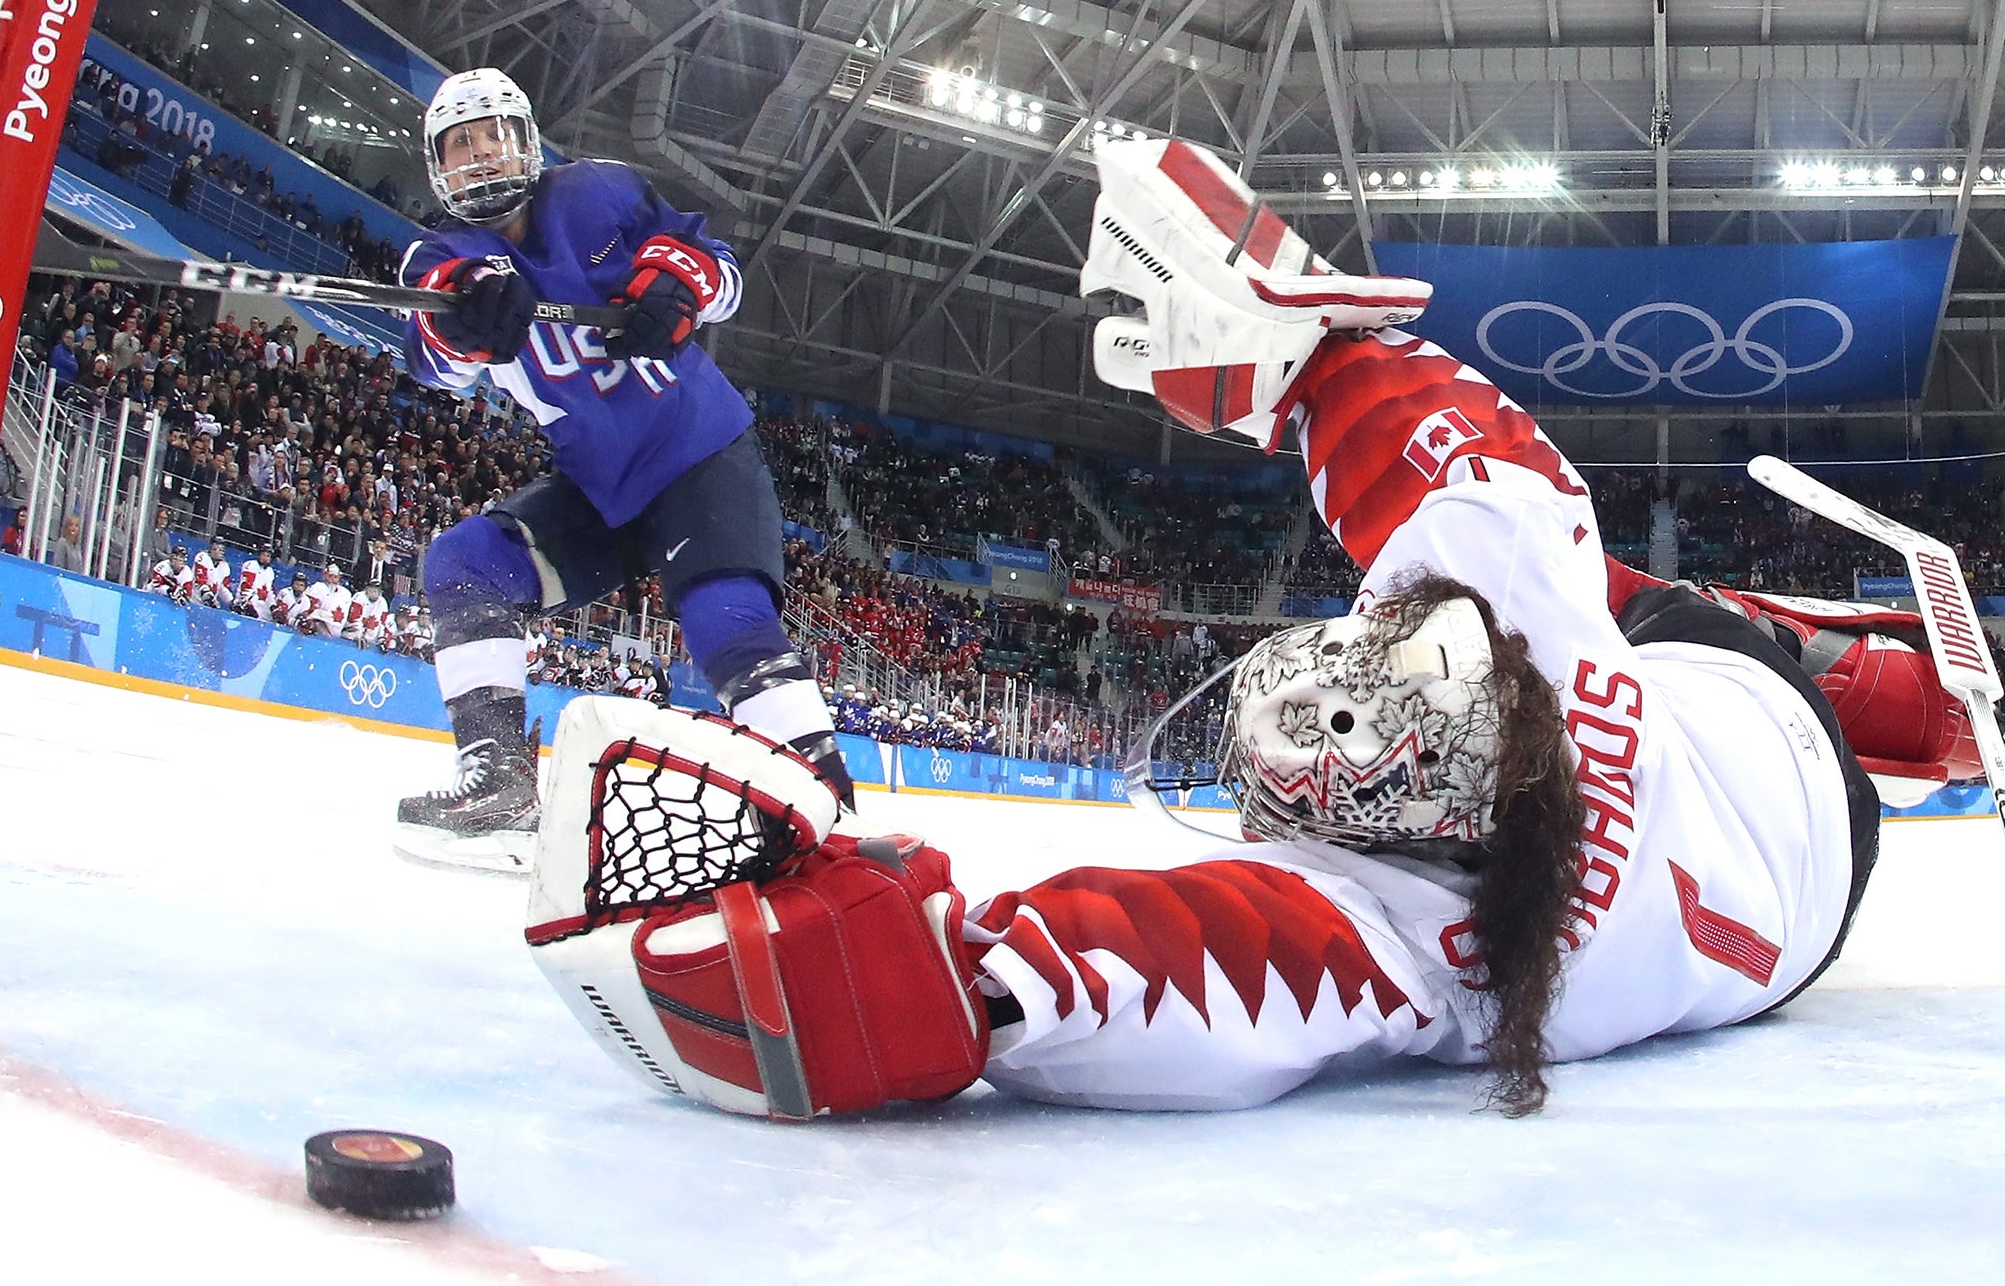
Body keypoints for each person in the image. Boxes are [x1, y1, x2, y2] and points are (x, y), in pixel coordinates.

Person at [528, 141, 1947, 1124]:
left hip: (1792, 910)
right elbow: (1481, 481)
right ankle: (1867, 673)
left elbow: (1181, 965)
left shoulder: (1417, 955)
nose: (1351, 648)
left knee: (1615, 603)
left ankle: (1855, 682)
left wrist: (956, 987)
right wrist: (1303, 352)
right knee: (1643, 604)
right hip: (1741, 709)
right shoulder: (1535, 652)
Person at [389, 67, 851, 858]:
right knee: (464, 564)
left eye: (496, 136)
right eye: (462, 144)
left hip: (701, 460)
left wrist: (679, 287)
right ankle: (499, 780)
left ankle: (824, 809)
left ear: (528, 142)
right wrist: (465, 319)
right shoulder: (441, 259)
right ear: (438, 165)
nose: (483, 156)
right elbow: (435, 362)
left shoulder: (600, 193)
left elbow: (720, 270)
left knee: (724, 620)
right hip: (602, 494)